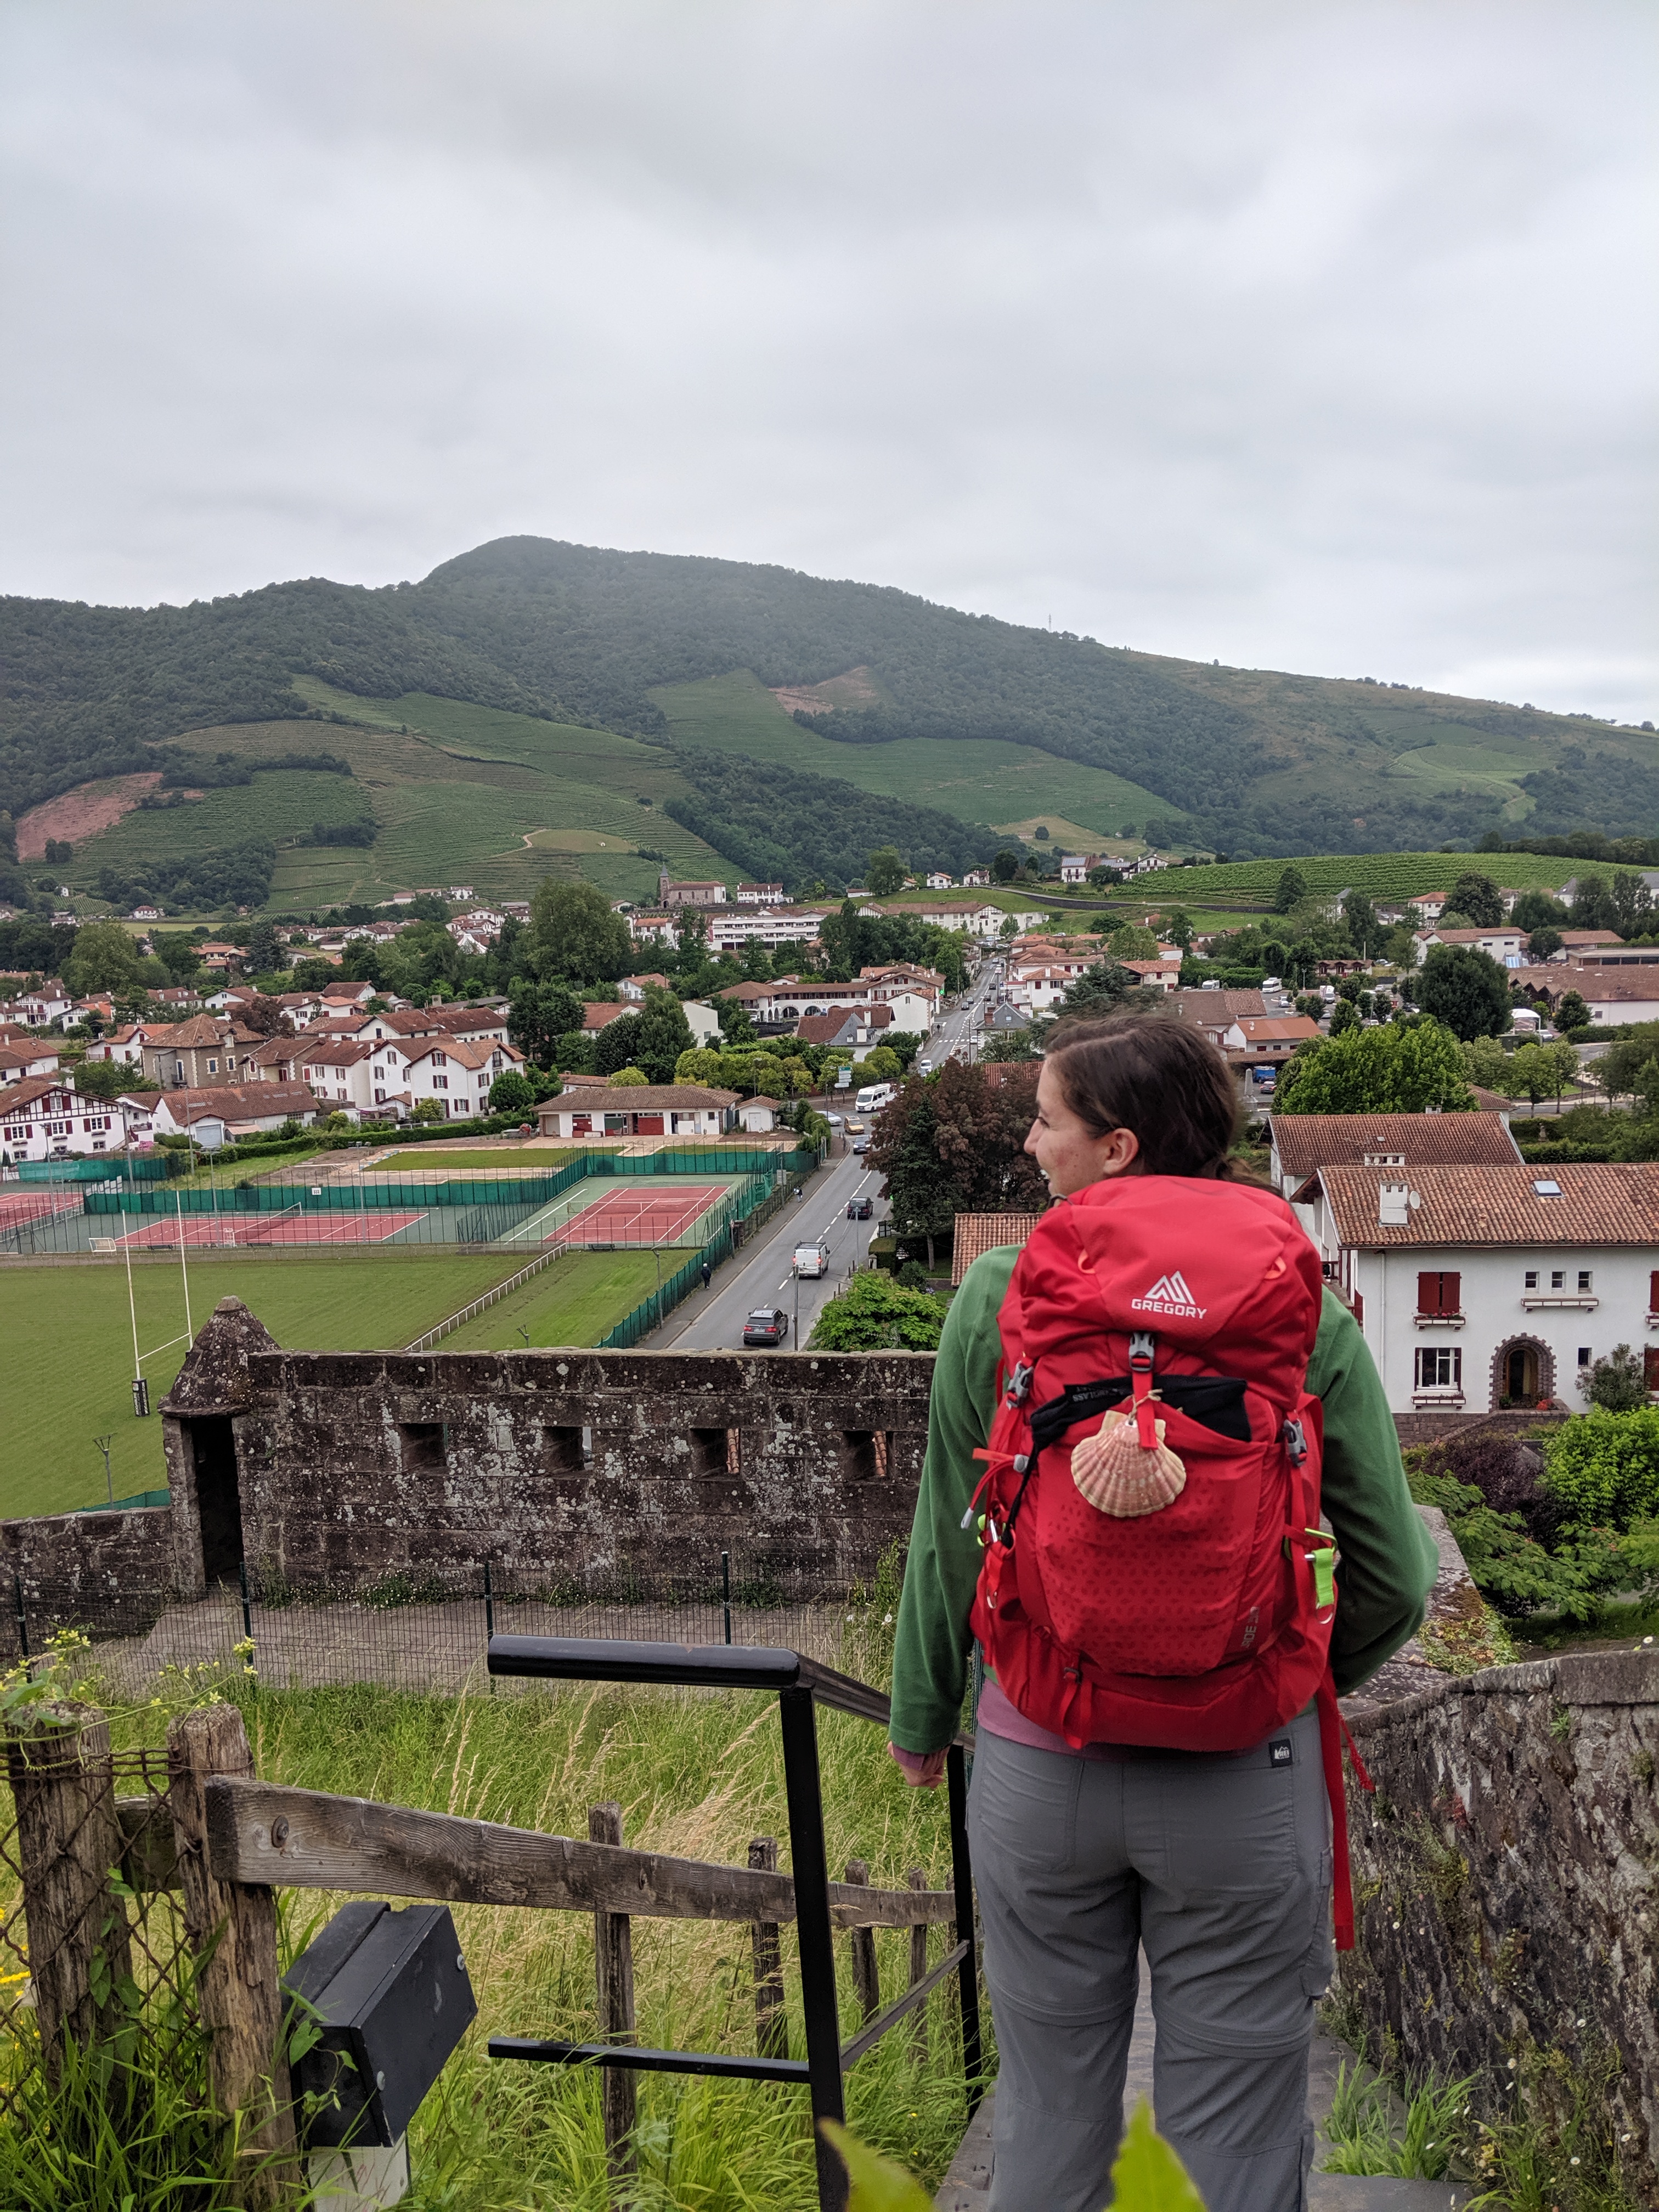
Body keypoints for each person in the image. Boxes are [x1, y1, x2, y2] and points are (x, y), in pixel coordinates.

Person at [888, 1013, 1436, 2212]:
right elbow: (1395, 1572)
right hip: (1245, 1764)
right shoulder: (1301, 1305)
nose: (1032, 1146)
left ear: (1119, 1148)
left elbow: (950, 1535)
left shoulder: (997, 1293)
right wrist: (1278, 1674)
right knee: (1232, 2138)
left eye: (1046, 1121)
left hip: (1040, 1756)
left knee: (1044, 2109)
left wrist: (924, 1720)